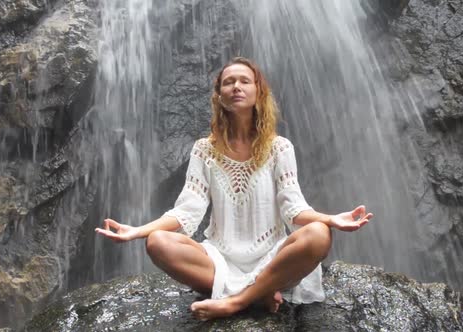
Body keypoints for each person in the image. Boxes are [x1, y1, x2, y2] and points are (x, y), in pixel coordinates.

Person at [95, 57, 373, 320]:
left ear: (258, 92)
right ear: (219, 95)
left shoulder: (279, 148)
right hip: (219, 260)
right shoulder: (204, 150)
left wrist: (331, 219)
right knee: (157, 242)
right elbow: (186, 212)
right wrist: (137, 231)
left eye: (244, 81)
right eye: (228, 82)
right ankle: (259, 293)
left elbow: (294, 209)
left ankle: (236, 300)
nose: (236, 87)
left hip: (273, 258)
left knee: (318, 236)